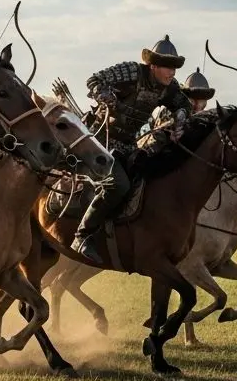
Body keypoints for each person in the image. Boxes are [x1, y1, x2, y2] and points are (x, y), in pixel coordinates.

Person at [71, 35, 195, 262]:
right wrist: (104, 94)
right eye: (168, 67)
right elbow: (94, 80)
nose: (172, 73)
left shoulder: (168, 88)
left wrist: (180, 117)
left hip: (128, 145)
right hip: (100, 140)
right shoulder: (131, 72)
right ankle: (82, 235)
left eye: (175, 69)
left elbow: (184, 104)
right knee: (119, 184)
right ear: (153, 65)